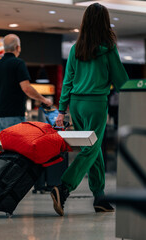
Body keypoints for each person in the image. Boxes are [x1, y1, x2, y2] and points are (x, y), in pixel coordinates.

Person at [51, 3, 129, 216]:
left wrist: (61, 111)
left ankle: (100, 198)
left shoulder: (77, 48)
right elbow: (121, 80)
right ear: (105, 22)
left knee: (93, 148)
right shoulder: (109, 48)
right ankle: (64, 187)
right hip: (96, 104)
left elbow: (68, 81)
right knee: (92, 148)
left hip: (76, 104)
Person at [0, 34, 52, 133]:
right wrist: (43, 99)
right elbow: (26, 88)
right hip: (13, 114)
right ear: (17, 47)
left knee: (6, 146)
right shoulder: (18, 63)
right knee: (16, 147)